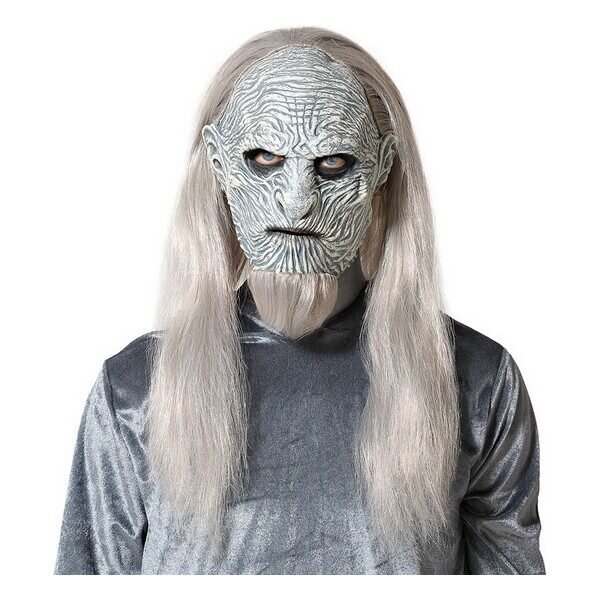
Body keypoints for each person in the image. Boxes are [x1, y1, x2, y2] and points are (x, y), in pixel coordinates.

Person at [54, 26, 545, 575]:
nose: (297, 202)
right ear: (219, 163)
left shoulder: (476, 382)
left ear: (381, 168)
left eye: (332, 164)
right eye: (265, 157)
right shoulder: (135, 391)